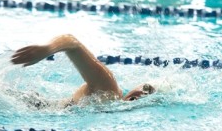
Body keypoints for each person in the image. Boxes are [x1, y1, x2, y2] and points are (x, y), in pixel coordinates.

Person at [11, 34, 155, 106]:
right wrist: (47, 49)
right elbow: (70, 41)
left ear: (133, 99)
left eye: (146, 91)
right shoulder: (109, 90)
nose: (142, 90)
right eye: (146, 87)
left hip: (35, 106)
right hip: (34, 106)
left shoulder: (108, 100)